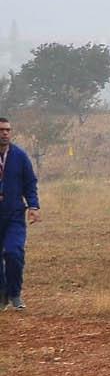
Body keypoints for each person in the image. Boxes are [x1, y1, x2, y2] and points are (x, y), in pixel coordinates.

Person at [0, 115, 39, 312]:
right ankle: (2, 295)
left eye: (8, 130)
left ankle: (14, 293)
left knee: (13, 252)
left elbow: (30, 183)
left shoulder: (20, 156)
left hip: (14, 214)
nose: (5, 133)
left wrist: (33, 206)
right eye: (1, 130)